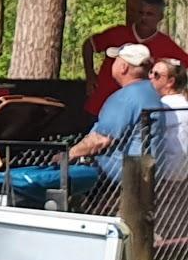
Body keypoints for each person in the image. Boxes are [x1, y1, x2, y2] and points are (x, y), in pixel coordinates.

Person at [69, 42, 166, 185]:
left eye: (116, 60)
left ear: (123, 67)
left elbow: (100, 140)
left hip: (124, 172)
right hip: (153, 170)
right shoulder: (153, 93)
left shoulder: (125, 97)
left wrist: (68, 154)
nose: (112, 64)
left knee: (64, 174)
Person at [83, 0, 188, 117]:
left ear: (160, 17)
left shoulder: (165, 44)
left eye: (149, 14)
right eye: (141, 13)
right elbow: (89, 45)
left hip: (135, 110)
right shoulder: (118, 33)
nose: (144, 17)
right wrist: (90, 75)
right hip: (102, 101)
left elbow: (183, 64)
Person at [151, 58, 188, 180]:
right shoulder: (184, 103)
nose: (150, 76)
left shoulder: (160, 106)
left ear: (170, 81)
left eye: (156, 74)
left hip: (166, 173)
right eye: (150, 72)